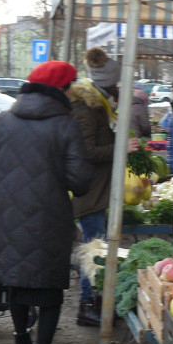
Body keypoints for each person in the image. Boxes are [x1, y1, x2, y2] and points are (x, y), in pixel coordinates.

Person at [0, 61, 93, 344]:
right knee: (48, 288)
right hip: (49, 217)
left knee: (17, 279)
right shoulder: (65, 125)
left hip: (7, 213)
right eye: (70, 87)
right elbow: (80, 180)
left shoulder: (2, 121)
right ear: (61, 90)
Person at [69, 70, 142, 326]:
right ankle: (87, 306)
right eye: (119, 86)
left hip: (98, 190)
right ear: (108, 87)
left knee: (97, 248)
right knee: (93, 251)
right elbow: (86, 151)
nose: (121, 91)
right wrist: (120, 147)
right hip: (89, 191)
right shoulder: (87, 109)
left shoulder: (97, 106)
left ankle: (97, 303)